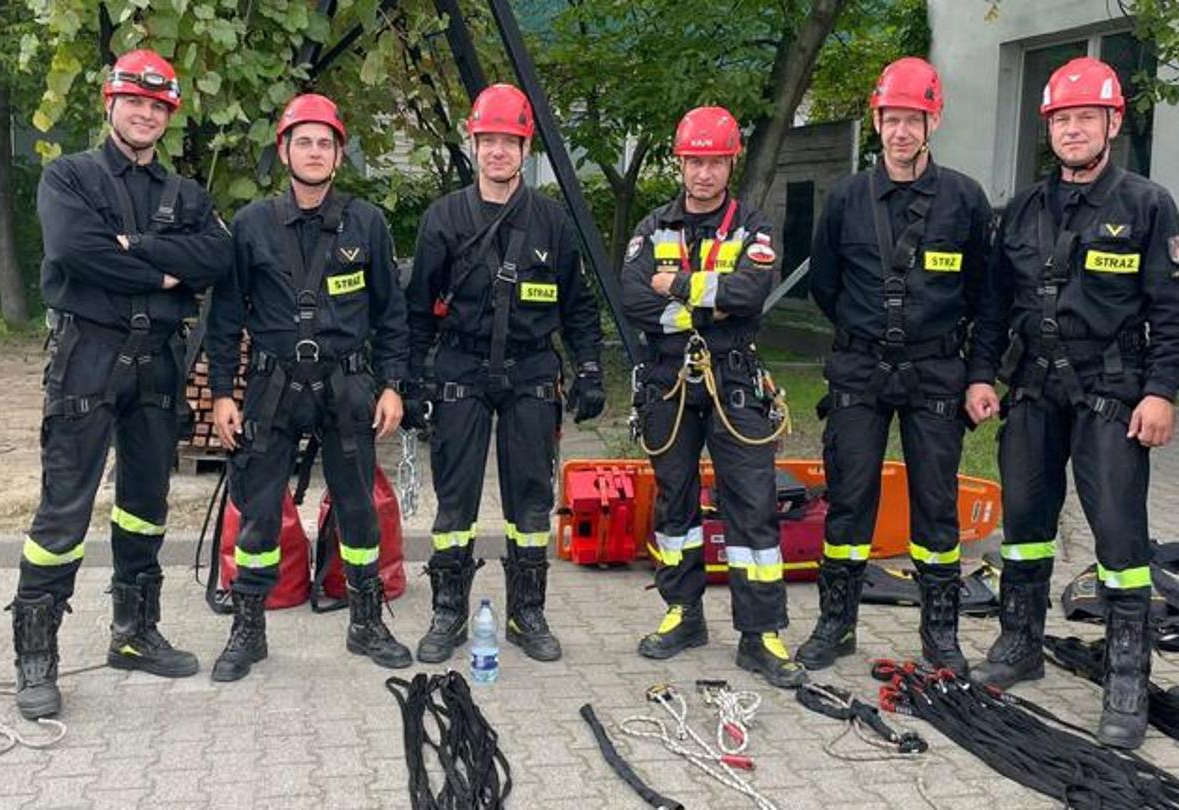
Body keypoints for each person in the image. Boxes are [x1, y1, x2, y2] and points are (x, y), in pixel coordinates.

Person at [978, 56, 1179, 750]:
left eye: (1085, 117)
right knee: (1024, 522)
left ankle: (1127, 675)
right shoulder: (1021, 208)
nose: (1073, 130)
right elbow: (991, 307)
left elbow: (1174, 312)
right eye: (1062, 119)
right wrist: (982, 375)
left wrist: (1162, 392)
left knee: (1119, 538)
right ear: (1050, 129)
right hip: (1032, 391)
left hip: (1111, 393)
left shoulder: (1146, 204)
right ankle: (1020, 643)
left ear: (1112, 122)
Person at [10, 49, 233, 719]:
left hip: (158, 365)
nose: (145, 113)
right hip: (89, 358)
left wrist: (134, 251)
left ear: (169, 116)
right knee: (64, 511)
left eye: (157, 105)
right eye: (134, 101)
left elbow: (217, 256)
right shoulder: (70, 177)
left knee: (144, 504)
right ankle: (35, 656)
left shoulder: (186, 195)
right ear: (110, 105)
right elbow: (75, 249)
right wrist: (168, 270)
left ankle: (133, 633)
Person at [801, 57, 1002, 676]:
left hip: (937, 372)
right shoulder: (846, 199)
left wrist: (980, 373)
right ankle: (837, 624)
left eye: (913, 119)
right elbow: (825, 285)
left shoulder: (964, 200)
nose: (901, 132)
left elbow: (989, 297)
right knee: (849, 500)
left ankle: (940, 633)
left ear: (932, 120)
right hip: (860, 370)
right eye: (892, 119)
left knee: (936, 505)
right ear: (878, 119)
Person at [204, 93, 411, 682]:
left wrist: (392, 385)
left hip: (347, 387)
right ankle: (248, 628)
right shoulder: (251, 226)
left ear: (339, 155)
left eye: (325, 142)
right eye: (304, 141)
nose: (315, 151)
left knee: (359, 511)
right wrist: (223, 392)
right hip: (272, 389)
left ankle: (367, 621)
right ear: (284, 150)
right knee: (260, 514)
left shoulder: (366, 223)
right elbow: (224, 318)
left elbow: (391, 314)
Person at [403, 84, 605, 665]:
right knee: (454, 502)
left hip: (532, 371)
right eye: (488, 140)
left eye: (508, 142)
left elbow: (580, 305)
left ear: (524, 148)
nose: (497, 151)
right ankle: (448, 612)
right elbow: (418, 309)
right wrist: (414, 380)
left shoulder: (552, 222)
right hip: (460, 369)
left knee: (531, 502)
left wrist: (590, 370)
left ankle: (527, 612)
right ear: (474, 144)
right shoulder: (444, 218)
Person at [622, 106, 805, 689]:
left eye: (715, 161)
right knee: (674, 506)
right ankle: (683, 614)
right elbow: (632, 298)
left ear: (731, 162)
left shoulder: (753, 226)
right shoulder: (653, 226)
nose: (703, 173)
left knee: (751, 504)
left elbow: (752, 294)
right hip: (668, 380)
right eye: (694, 160)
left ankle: (761, 633)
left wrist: (675, 286)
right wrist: (710, 302)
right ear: (680, 162)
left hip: (733, 379)